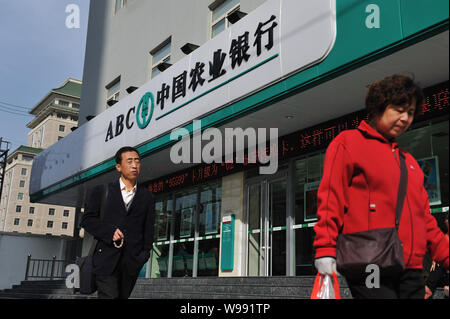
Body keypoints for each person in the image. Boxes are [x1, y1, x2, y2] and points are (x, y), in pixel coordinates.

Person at [312, 74, 449, 299]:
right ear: (378, 107)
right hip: (370, 263)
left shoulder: (410, 163)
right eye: (399, 109)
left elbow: (426, 221)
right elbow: (330, 199)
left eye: (411, 113)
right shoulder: (348, 143)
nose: (405, 118)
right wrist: (325, 248)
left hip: (412, 270)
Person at [81, 146, 155, 299]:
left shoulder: (147, 196)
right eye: (129, 161)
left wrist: (143, 256)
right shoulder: (102, 191)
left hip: (131, 263)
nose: (134, 165)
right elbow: (87, 220)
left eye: (137, 161)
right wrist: (109, 232)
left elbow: (149, 230)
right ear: (118, 167)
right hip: (105, 260)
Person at [425, 213, 449, 299]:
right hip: (443, 275)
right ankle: (428, 290)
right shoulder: (443, 238)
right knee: (438, 264)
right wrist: (437, 259)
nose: (446, 221)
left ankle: (428, 289)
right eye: (447, 219)